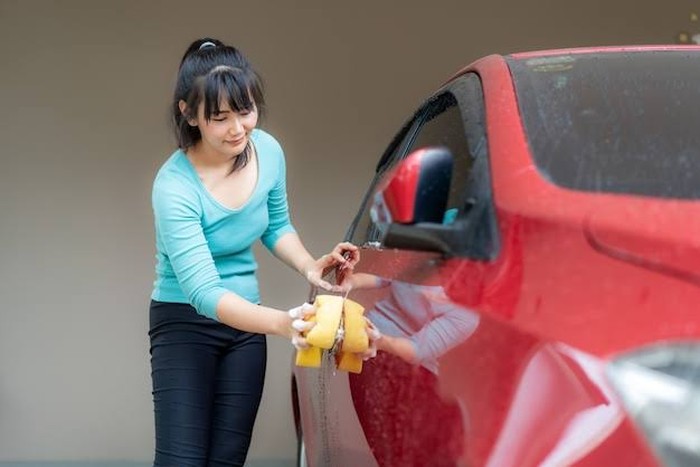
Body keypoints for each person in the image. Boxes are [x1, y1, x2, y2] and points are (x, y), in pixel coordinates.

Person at [148, 37, 358, 467]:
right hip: (185, 325)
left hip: (246, 328)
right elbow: (204, 293)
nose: (237, 129)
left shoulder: (268, 151)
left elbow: (276, 225)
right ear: (189, 114)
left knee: (227, 459)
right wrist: (283, 323)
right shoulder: (173, 187)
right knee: (181, 461)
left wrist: (310, 266)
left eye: (245, 111)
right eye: (219, 117)